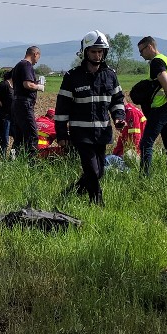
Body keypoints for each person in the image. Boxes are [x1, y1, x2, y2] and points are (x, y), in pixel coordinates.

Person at [55, 30, 125, 205]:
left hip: (102, 132)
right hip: (81, 133)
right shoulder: (72, 77)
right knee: (92, 170)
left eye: (100, 51)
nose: (97, 55)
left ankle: (71, 193)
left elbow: (117, 100)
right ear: (85, 52)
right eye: (93, 51)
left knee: (99, 172)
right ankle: (97, 202)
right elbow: (62, 107)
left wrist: (118, 117)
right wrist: (62, 134)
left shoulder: (110, 75)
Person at [136, 36, 167, 175]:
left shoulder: (157, 62)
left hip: (160, 108)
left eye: (141, 50)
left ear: (150, 47)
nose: (141, 54)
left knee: (146, 143)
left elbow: (166, 84)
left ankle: (145, 177)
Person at [10, 46, 43, 159]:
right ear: (35, 54)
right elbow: (27, 84)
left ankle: (12, 160)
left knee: (19, 137)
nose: (37, 61)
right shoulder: (27, 65)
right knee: (32, 136)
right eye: (38, 57)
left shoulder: (18, 65)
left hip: (17, 103)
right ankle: (32, 162)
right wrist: (39, 86)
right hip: (25, 104)